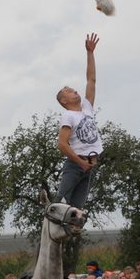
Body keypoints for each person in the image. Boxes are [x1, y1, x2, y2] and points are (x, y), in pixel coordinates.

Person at [56, 33, 103, 209]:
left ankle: (69, 236)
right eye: (68, 90)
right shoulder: (68, 116)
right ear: (64, 101)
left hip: (90, 167)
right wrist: (79, 162)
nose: (73, 89)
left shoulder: (87, 108)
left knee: (76, 212)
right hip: (76, 165)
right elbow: (62, 144)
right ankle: (48, 233)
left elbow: (91, 79)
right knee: (60, 205)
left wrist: (90, 53)